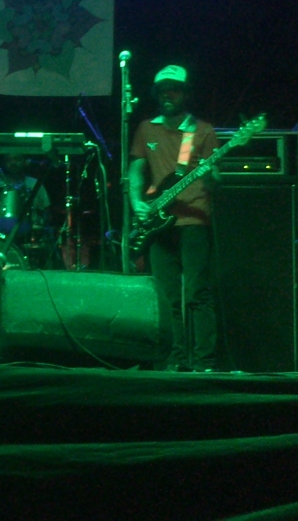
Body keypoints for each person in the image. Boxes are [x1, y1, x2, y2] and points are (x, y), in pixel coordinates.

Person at [128, 65, 219, 372]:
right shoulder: (146, 128)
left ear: (185, 93)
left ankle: (204, 363)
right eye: (163, 89)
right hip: (157, 222)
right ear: (156, 94)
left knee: (196, 293)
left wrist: (212, 174)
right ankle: (174, 360)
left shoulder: (202, 130)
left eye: (175, 89)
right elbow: (136, 171)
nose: (168, 94)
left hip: (194, 220)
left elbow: (216, 180)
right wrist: (137, 203)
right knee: (166, 297)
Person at [0, 154, 51, 237]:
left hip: (28, 235)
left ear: (25, 162)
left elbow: (46, 212)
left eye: (17, 159)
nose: (13, 163)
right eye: (9, 160)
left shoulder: (35, 185)